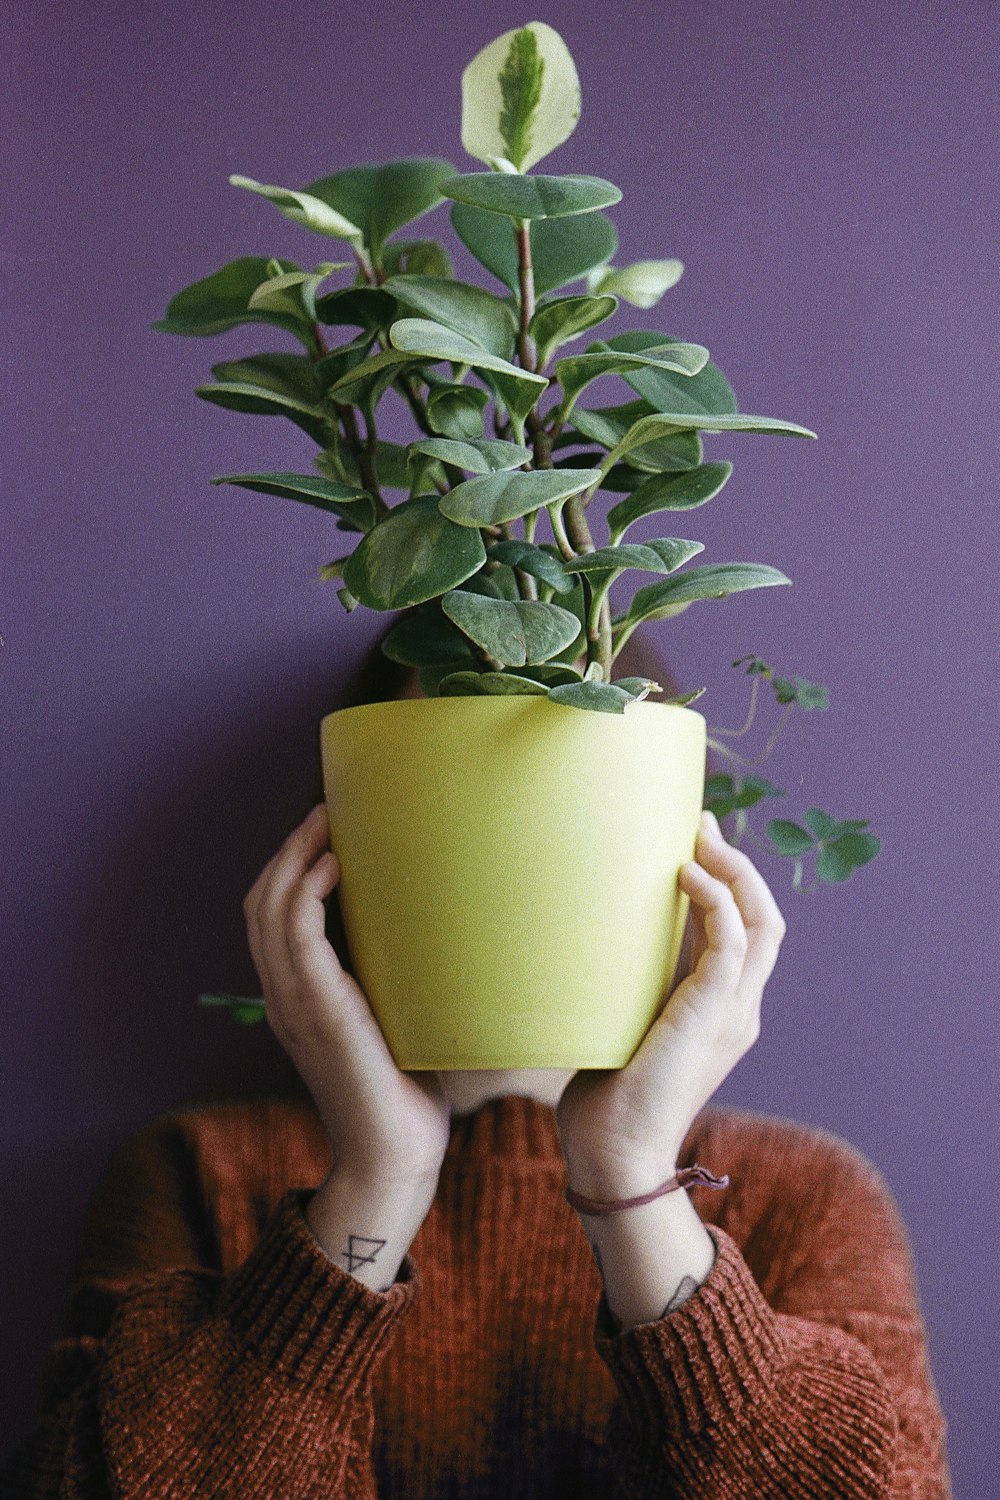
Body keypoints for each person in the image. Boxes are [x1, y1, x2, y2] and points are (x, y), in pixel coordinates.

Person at [0, 625, 953, 1498]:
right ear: (341, 839)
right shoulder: (200, 1177)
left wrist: (631, 1180)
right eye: (449, 795)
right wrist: (378, 1178)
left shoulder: (805, 1198)